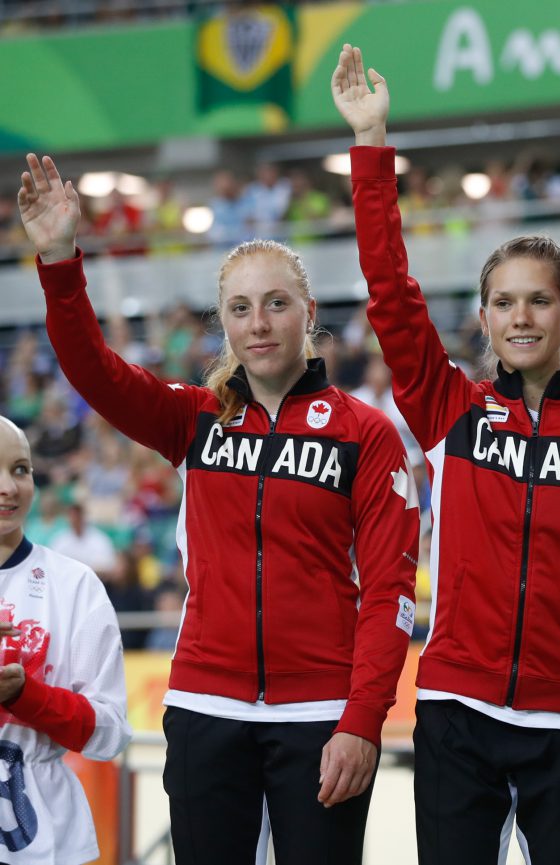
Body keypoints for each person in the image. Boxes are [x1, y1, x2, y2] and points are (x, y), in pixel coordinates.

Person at [18, 153, 419, 865]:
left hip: (319, 717)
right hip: (207, 710)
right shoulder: (197, 419)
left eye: (275, 303)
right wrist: (58, 258)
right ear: (224, 322)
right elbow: (93, 371)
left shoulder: (367, 433)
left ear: (309, 313)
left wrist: (361, 720)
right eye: (240, 308)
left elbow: (389, 594)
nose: (258, 323)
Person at [332, 44, 560, 863]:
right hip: (455, 712)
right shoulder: (450, 410)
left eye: (539, 300)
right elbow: (390, 292)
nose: (521, 316)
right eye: (503, 301)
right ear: (482, 317)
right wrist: (371, 146)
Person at [0, 415, 132, 865]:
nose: (9, 487)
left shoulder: (75, 584)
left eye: (21, 469)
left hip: (46, 836)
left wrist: (24, 695)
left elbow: (110, 733)